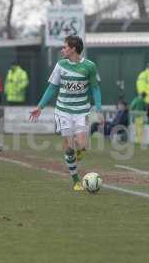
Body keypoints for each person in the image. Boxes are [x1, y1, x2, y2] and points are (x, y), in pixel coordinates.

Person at [29, 35, 103, 191]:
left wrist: (99, 109)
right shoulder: (60, 65)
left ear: (73, 49)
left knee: (82, 145)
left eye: (65, 47)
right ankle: (76, 180)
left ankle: (80, 150)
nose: (63, 49)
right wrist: (40, 107)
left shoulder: (90, 66)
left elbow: (95, 88)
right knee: (69, 148)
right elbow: (52, 88)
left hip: (82, 110)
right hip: (63, 110)